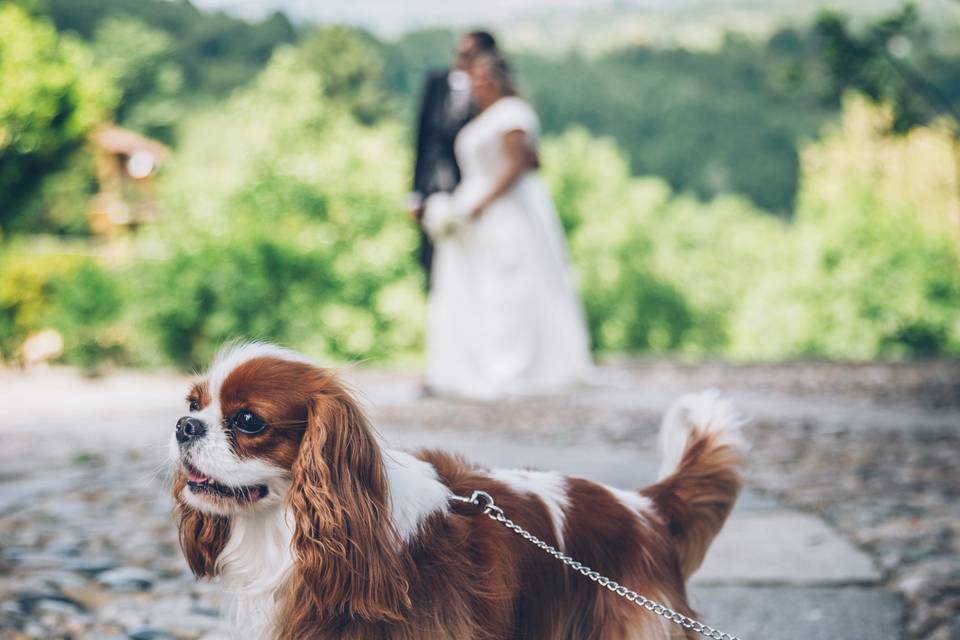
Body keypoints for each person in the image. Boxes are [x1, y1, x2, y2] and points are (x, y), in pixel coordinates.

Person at [424, 52, 592, 399]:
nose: (480, 84)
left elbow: (518, 166)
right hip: (475, 209)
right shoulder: (481, 117)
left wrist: (479, 203)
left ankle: (514, 366)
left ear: (502, 78)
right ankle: (476, 363)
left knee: (508, 287)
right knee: (476, 288)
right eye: (476, 78)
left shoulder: (513, 113)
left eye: (487, 77)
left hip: (504, 210)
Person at [410, 31, 498, 289]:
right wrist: (415, 193)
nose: (462, 60)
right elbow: (422, 139)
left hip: (474, 194)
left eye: (470, 55)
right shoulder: (436, 83)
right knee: (433, 267)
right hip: (433, 191)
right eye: (460, 53)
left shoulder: (491, 94)